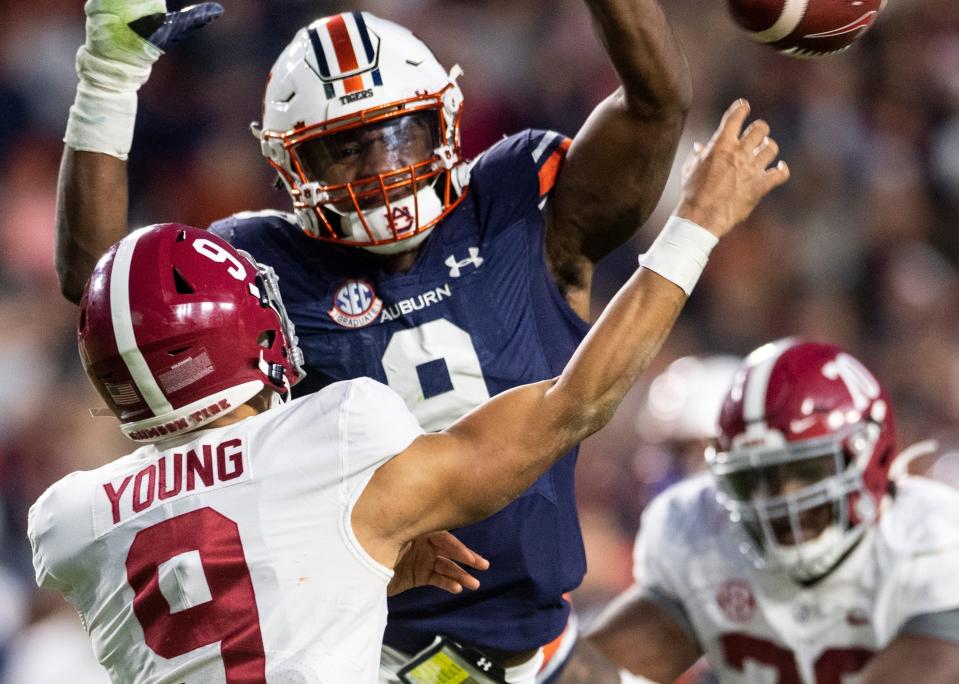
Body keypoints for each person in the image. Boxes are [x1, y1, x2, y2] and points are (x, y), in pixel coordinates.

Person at [51, 1, 767, 678]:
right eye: (343, 153)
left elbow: (656, 102)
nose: (380, 172)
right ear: (289, 168)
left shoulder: (514, 205)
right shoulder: (263, 263)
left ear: (446, 120)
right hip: (370, 652)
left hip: (538, 641)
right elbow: (106, 291)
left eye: (400, 134)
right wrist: (110, 79)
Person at [586, 339, 959, 683]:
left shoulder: (931, 543)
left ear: (868, 456)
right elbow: (593, 677)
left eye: (806, 471)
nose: (782, 498)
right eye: (757, 478)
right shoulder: (701, 531)